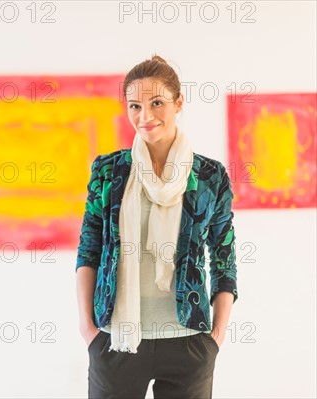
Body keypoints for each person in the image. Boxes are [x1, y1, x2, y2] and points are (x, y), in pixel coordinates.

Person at [75, 55, 238, 398]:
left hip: (188, 340)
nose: (145, 116)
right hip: (116, 339)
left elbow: (224, 260)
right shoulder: (109, 171)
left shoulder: (209, 176)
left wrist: (216, 337)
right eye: (135, 105)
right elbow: (89, 250)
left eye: (157, 103)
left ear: (178, 103)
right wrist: (88, 329)